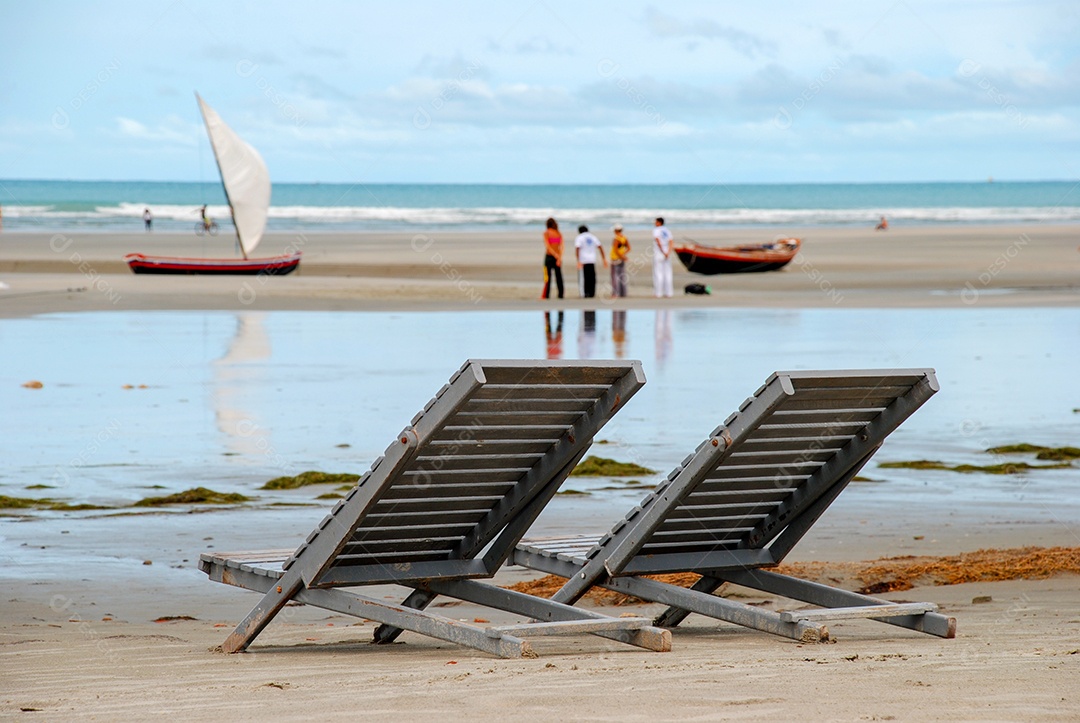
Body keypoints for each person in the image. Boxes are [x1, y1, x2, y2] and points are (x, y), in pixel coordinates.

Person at [574, 225, 606, 299]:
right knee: (592, 277)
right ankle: (592, 292)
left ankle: (585, 293)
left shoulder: (579, 237)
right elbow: (600, 247)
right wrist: (603, 258)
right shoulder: (593, 237)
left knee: (584, 278)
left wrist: (578, 260)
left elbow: (577, 248)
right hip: (592, 259)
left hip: (583, 260)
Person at [541, 217, 564, 299]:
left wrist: (555, 255)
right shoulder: (558, 233)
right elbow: (562, 246)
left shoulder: (546, 233)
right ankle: (561, 294)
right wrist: (559, 257)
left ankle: (546, 295)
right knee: (559, 276)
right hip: (558, 257)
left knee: (547, 276)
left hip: (549, 257)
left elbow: (548, 246)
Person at [652, 217, 674, 298]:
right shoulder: (667, 230)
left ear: (659, 222)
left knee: (658, 273)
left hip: (659, 253)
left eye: (656, 222)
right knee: (668, 273)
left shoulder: (656, 230)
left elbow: (658, 241)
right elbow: (671, 241)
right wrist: (668, 252)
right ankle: (669, 292)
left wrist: (663, 251)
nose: (654, 223)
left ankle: (658, 293)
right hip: (667, 253)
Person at [610, 224, 630, 297]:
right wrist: (623, 254)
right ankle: (623, 293)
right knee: (622, 275)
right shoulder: (624, 238)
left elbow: (615, 249)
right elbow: (628, 248)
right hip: (621, 258)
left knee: (615, 276)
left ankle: (615, 293)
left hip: (615, 258)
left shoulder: (616, 238)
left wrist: (621, 256)